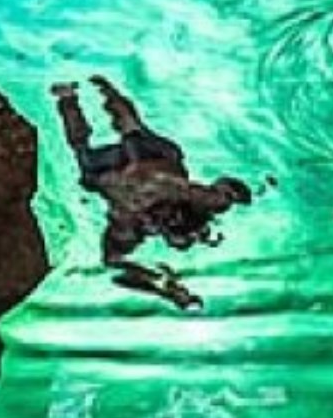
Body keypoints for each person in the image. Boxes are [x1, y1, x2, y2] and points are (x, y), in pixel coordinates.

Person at [52, 75, 252, 310]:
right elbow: (215, 196)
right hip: (148, 163)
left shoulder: (132, 224)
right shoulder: (184, 198)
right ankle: (91, 95)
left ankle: (73, 96)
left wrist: (164, 287)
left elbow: (113, 261)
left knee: (103, 147)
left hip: (120, 171)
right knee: (131, 132)